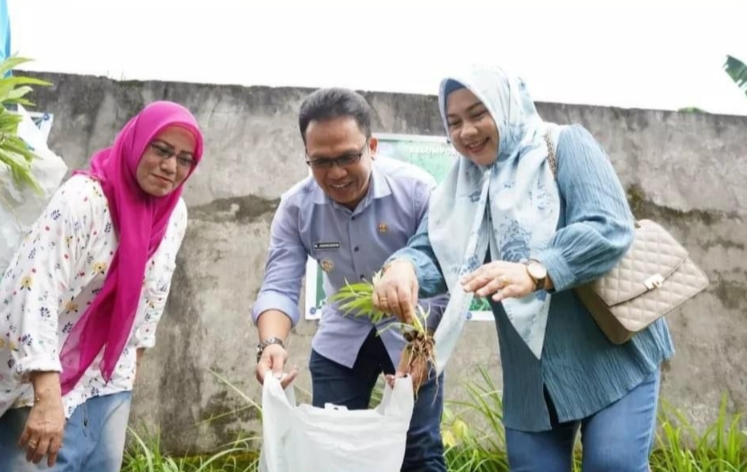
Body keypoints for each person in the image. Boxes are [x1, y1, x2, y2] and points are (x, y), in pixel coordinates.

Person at [373, 66, 674, 472]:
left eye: (479, 113)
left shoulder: (566, 145)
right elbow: (438, 251)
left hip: (609, 353)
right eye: (454, 122)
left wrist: (535, 271)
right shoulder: (461, 188)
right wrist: (404, 267)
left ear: (506, 106)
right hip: (532, 377)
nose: (467, 131)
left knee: (613, 464)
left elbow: (608, 226)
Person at [0, 101, 204, 471]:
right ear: (136, 142)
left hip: (108, 379)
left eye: (185, 159)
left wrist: (129, 368)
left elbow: (154, 292)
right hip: (40, 374)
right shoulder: (84, 200)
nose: (171, 167)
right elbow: (33, 291)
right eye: (160, 149)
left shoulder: (174, 214)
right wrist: (46, 396)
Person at [252, 87, 447, 472]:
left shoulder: (417, 191)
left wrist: (423, 342)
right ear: (307, 157)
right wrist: (270, 343)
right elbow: (280, 281)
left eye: (348, 157)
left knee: (420, 449)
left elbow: (443, 271)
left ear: (372, 146)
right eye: (321, 162)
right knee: (331, 451)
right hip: (342, 339)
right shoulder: (296, 206)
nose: (336, 173)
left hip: (411, 339)